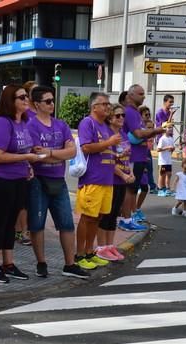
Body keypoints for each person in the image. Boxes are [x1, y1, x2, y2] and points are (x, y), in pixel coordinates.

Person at [27, 86, 89, 279]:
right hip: (38, 180)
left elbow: (71, 152)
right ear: (37, 104)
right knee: (37, 224)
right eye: (47, 101)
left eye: (53, 100)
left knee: (67, 223)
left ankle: (69, 264)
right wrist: (56, 155)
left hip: (58, 181)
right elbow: (36, 156)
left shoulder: (61, 125)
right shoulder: (31, 126)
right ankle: (41, 262)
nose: (52, 104)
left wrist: (51, 153)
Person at [0, 85, 43, 283]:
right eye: (21, 97)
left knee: (11, 223)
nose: (26, 99)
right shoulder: (3, 122)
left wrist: (29, 160)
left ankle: (8, 264)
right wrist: (26, 156)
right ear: (11, 101)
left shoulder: (24, 122)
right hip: (1, 178)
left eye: (26, 96)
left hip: (20, 178)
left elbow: (22, 149)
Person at [75, 92, 121, 271]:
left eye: (108, 104)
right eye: (104, 104)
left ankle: (89, 252)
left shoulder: (106, 127)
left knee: (99, 217)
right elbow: (86, 147)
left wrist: (117, 153)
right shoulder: (88, 123)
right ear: (94, 107)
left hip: (107, 180)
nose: (108, 107)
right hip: (92, 180)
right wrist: (108, 142)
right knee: (87, 217)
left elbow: (108, 148)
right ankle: (79, 255)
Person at [122, 85, 167, 226]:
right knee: (130, 189)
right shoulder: (130, 112)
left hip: (139, 157)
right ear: (131, 95)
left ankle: (129, 217)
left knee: (134, 189)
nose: (143, 96)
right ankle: (126, 219)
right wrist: (156, 131)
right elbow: (138, 134)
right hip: (132, 157)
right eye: (140, 94)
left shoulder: (135, 112)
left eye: (143, 93)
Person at [97, 104, 133, 262]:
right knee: (105, 214)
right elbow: (109, 159)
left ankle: (110, 245)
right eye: (118, 115)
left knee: (114, 214)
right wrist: (123, 175)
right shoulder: (108, 135)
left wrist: (130, 173)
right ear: (110, 118)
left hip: (122, 179)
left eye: (123, 115)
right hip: (111, 178)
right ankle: (101, 247)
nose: (121, 118)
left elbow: (127, 157)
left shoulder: (124, 135)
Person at [15, 80, 40, 246]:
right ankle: (22, 231)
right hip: (24, 161)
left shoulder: (41, 113)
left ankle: (26, 229)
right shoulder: (24, 115)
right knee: (22, 200)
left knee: (31, 200)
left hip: (38, 162)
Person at [157, 126, 175, 196]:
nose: (170, 129)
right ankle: (160, 189)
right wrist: (167, 147)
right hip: (163, 161)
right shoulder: (162, 139)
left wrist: (172, 149)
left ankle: (167, 188)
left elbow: (172, 148)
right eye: (169, 127)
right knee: (162, 174)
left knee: (169, 174)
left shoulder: (171, 138)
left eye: (171, 127)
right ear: (164, 129)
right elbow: (158, 149)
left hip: (168, 160)